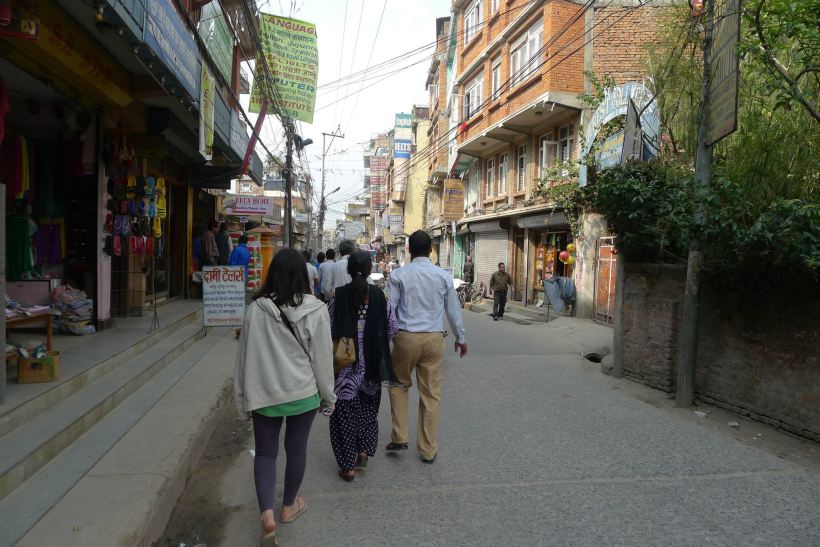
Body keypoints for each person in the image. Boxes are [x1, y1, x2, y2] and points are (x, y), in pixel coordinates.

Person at [234, 248, 336, 546]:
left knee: (265, 453)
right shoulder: (315, 309)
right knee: (296, 448)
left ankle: (266, 513)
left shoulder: (256, 309)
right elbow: (322, 359)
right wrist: (328, 396)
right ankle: (289, 506)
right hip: (303, 393)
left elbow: (243, 357)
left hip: (264, 394)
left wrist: (241, 400)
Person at [386, 230, 467, 464]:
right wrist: (460, 338)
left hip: (405, 337)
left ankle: (400, 436)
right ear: (431, 249)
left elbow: (389, 311)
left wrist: (385, 339)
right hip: (433, 339)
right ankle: (428, 449)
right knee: (431, 395)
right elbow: (453, 310)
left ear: (409, 249)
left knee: (399, 385)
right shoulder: (442, 276)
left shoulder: (398, 275)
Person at [328, 250, 398, 482]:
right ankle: (363, 451)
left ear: (348, 271)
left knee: (345, 416)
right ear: (370, 271)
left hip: (345, 369)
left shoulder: (338, 297)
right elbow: (393, 328)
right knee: (368, 412)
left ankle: (347, 467)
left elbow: (327, 328)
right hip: (372, 368)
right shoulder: (380, 296)